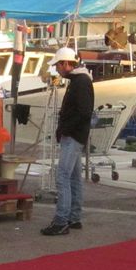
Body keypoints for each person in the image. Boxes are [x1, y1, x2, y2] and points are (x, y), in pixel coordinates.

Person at [41, 47, 94, 236]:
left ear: (65, 64)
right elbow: (84, 112)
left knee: (63, 176)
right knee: (73, 177)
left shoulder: (79, 82)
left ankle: (62, 220)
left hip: (73, 135)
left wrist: (64, 129)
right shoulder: (80, 80)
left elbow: (83, 112)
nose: (57, 69)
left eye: (57, 65)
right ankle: (73, 217)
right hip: (76, 134)